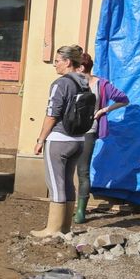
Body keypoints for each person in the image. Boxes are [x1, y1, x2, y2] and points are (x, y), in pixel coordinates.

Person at [32, 45, 92, 237]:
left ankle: (52, 229)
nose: (55, 65)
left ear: (67, 62)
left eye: (57, 61)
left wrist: (41, 139)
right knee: (68, 182)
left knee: (55, 182)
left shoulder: (61, 83)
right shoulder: (84, 82)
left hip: (59, 139)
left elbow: (52, 114)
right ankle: (65, 227)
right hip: (79, 139)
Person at [73, 53, 131, 223]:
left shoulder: (101, 84)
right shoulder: (71, 83)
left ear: (82, 67)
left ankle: (80, 211)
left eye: (74, 66)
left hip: (88, 130)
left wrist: (104, 110)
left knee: (83, 170)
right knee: (69, 169)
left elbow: (124, 99)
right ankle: (67, 206)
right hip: (69, 130)